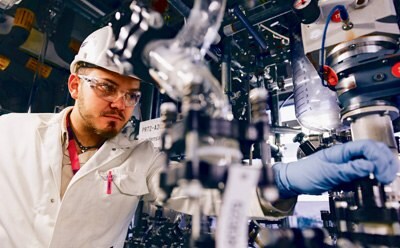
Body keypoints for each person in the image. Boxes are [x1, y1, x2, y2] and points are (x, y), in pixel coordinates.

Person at [0, 25, 398, 248]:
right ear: (74, 84)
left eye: (132, 95)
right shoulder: (9, 133)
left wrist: (283, 179)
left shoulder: (140, 158)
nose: (120, 103)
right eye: (106, 87)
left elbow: (207, 191)